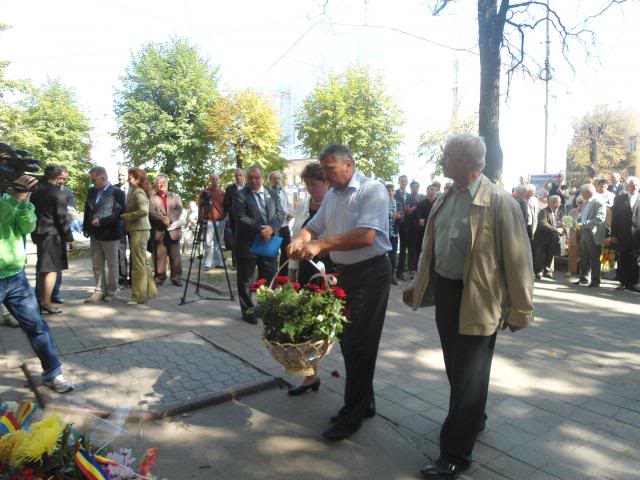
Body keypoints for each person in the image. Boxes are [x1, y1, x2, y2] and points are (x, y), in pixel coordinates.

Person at [403, 134, 533, 479]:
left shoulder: (500, 203)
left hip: (479, 298)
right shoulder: (446, 198)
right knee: (457, 370)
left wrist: (519, 309)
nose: (443, 162)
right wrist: (418, 286)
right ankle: (473, 419)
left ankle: (454, 455)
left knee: (470, 376)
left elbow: (519, 261)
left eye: (447, 156)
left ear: (466, 161)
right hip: (447, 293)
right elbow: (432, 247)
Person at [288, 144, 392, 442]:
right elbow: (313, 227)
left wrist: (321, 245)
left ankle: (352, 415)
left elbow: (367, 235)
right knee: (351, 341)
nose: (325, 176)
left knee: (359, 344)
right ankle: (365, 402)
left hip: (371, 273)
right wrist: (301, 238)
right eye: (323, 171)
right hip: (346, 275)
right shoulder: (332, 195)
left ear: (349, 165)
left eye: (330, 170)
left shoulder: (372, 190)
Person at [0, 174, 74, 392]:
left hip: (15, 277)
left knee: (37, 327)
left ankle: (53, 374)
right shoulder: (8, 199)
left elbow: (27, 227)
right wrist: (15, 199)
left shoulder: (17, 199)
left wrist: (22, 202)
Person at [287, 162, 333, 395]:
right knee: (307, 327)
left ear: (326, 182)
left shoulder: (335, 204)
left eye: (313, 184)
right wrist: (292, 275)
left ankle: (357, 389)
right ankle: (310, 377)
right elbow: (297, 237)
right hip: (306, 272)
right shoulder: (305, 204)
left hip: (329, 275)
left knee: (328, 326)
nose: (309, 189)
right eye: (306, 185)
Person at [232, 165, 284, 324]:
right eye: (250, 178)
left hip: (269, 242)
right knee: (246, 279)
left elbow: (280, 213)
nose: (254, 181)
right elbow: (240, 218)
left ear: (262, 178)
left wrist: (272, 229)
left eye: (257, 177)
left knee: (268, 276)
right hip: (248, 244)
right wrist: (262, 229)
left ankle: (264, 308)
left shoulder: (272, 193)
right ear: (247, 179)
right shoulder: (239, 195)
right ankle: (248, 311)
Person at [30, 165, 75, 314]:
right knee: (51, 270)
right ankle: (46, 302)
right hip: (52, 236)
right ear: (57, 177)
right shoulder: (57, 193)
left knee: (42, 269)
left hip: (40, 234)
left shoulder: (36, 193)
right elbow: (61, 218)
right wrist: (70, 238)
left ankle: (40, 300)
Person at [82, 166, 125, 303]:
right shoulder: (91, 191)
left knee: (112, 264)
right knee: (97, 264)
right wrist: (86, 228)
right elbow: (87, 210)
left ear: (103, 178)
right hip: (95, 234)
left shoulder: (117, 192)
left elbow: (118, 213)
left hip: (110, 234)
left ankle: (112, 292)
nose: (92, 181)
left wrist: (102, 222)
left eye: (94, 179)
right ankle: (99, 290)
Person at [120, 168, 157, 305]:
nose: (128, 180)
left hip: (139, 230)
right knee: (143, 262)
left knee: (138, 264)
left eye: (130, 178)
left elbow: (143, 211)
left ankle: (139, 296)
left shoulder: (138, 193)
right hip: (140, 230)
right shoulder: (135, 191)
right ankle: (150, 290)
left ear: (137, 179)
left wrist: (126, 216)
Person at [149, 174, 183, 286]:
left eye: (164, 182)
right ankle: (159, 278)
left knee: (175, 256)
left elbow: (179, 209)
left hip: (173, 231)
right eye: (159, 182)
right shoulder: (152, 199)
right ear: (156, 185)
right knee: (159, 257)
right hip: (159, 231)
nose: (162, 184)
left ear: (167, 184)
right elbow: (151, 213)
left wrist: (169, 218)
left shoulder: (175, 197)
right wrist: (163, 219)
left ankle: (176, 278)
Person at [51, 165, 77, 304]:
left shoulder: (67, 192)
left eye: (64, 179)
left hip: (62, 233)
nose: (62, 181)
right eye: (60, 178)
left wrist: (70, 237)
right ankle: (42, 295)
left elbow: (71, 213)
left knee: (59, 266)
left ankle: (55, 293)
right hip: (48, 234)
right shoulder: (45, 191)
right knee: (45, 267)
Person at [573, 184, 607, 288]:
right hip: (584, 232)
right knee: (584, 256)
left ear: (588, 192)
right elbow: (582, 216)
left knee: (594, 257)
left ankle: (595, 280)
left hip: (593, 233)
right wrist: (575, 222)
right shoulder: (585, 202)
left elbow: (600, 218)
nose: (581, 195)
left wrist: (582, 224)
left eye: (582, 193)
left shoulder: (598, 201)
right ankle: (584, 278)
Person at [611, 176, 640, 292]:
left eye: (636, 185)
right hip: (622, 234)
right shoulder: (619, 199)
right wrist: (613, 234)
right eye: (631, 185)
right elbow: (615, 218)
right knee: (622, 258)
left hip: (638, 235)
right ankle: (623, 282)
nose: (633, 187)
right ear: (627, 187)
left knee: (634, 260)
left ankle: (633, 283)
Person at [533, 195, 564, 279]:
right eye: (557, 203)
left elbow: (560, 223)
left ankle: (547, 270)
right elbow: (543, 223)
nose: (558, 205)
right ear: (550, 202)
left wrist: (562, 227)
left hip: (553, 238)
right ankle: (538, 271)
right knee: (539, 255)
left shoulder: (559, 212)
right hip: (541, 238)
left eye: (559, 203)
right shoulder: (544, 211)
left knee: (550, 255)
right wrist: (556, 229)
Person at [199, 173, 226, 270]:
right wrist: (201, 219)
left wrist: (225, 216)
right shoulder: (204, 192)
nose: (214, 180)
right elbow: (200, 206)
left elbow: (225, 206)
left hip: (221, 219)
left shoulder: (222, 192)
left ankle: (219, 262)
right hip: (209, 220)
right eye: (213, 179)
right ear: (210, 180)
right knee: (209, 242)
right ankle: (207, 263)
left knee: (218, 242)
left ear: (219, 180)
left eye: (216, 179)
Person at [269, 171, 293, 266]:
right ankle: (272, 272)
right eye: (274, 178)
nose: (277, 180)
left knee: (286, 251)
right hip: (274, 226)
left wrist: (289, 213)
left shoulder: (284, 191)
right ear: (270, 180)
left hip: (285, 225)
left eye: (279, 178)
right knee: (273, 252)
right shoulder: (268, 192)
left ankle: (283, 274)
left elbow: (288, 205)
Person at [222, 168, 245, 268]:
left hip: (247, 221)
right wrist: (236, 212)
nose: (238, 177)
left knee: (246, 240)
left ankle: (245, 262)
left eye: (240, 175)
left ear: (243, 176)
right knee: (235, 241)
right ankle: (235, 262)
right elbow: (226, 205)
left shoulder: (248, 188)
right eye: (236, 175)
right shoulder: (230, 189)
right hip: (234, 220)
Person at [114, 166, 130, 287]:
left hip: (133, 224)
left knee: (135, 253)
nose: (121, 177)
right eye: (119, 175)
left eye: (123, 175)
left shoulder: (135, 189)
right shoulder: (114, 189)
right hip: (119, 224)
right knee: (121, 252)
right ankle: (122, 278)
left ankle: (133, 280)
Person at [414, 185, 438, 259]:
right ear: (427, 191)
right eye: (431, 189)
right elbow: (416, 216)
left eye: (436, 190)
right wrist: (419, 219)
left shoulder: (439, 204)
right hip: (423, 232)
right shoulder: (421, 204)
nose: (433, 191)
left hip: (435, 231)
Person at [405, 180, 423, 272]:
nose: (415, 188)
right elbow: (407, 211)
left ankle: (417, 267)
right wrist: (415, 207)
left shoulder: (421, 197)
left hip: (420, 227)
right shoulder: (408, 196)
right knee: (411, 248)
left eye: (417, 186)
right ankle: (411, 268)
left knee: (419, 247)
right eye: (413, 187)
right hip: (411, 227)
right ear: (410, 188)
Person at [394, 175, 410, 281]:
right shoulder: (394, 193)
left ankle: (400, 272)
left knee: (403, 249)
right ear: (399, 182)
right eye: (402, 181)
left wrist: (409, 210)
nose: (404, 183)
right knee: (393, 248)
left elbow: (413, 207)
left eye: (405, 181)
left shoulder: (410, 196)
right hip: (394, 224)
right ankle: (391, 272)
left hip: (406, 226)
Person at [386, 183, 401, 286]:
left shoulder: (398, 203)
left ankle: (393, 275)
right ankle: (384, 276)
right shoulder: (382, 203)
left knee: (393, 255)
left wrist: (399, 217)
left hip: (394, 233)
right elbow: (379, 214)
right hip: (384, 233)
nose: (391, 192)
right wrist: (391, 215)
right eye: (389, 190)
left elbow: (402, 216)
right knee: (382, 256)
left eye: (393, 190)